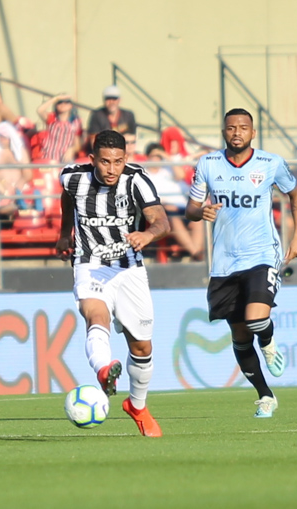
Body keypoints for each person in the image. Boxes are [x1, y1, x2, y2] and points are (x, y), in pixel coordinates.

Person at [185, 108, 297, 419]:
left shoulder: (270, 163)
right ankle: (265, 396)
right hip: (224, 263)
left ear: (253, 133)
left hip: (262, 254)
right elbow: (191, 209)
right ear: (224, 132)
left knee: (255, 321)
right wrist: (202, 213)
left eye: (243, 128)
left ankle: (268, 341)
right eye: (231, 128)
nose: (237, 132)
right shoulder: (208, 164)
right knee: (239, 336)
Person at [55, 129, 170, 437]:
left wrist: (147, 234)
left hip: (129, 269)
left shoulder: (137, 181)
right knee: (96, 315)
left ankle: (137, 405)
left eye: (118, 162)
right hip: (90, 264)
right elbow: (68, 199)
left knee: (142, 346)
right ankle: (104, 369)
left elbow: (162, 221)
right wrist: (65, 233)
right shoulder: (72, 177)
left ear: (125, 159)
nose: (111, 169)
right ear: (93, 159)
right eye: (105, 162)